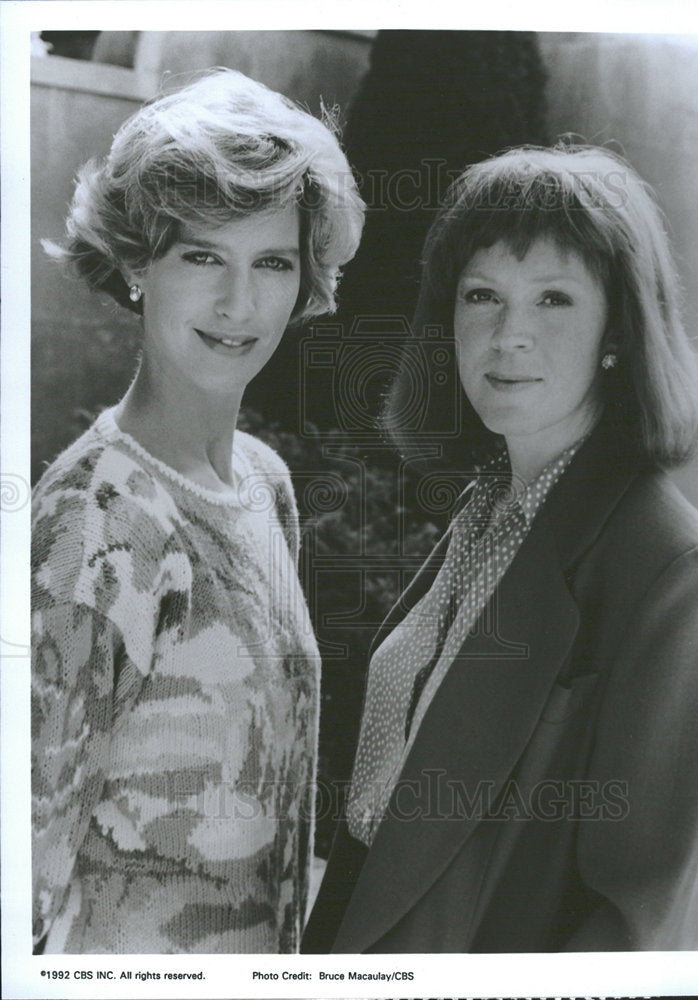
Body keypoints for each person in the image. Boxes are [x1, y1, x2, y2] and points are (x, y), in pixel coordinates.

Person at [303, 145, 698, 952]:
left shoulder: (679, 577)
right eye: (482, 297)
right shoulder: (485, 516)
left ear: (619, 332)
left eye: (553, 299)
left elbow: (641, 928)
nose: (509, 335)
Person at [31, 68, 364, 954]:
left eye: (272, 263)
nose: (238, 304)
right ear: (139, 263)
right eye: (203, 255)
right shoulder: (92, 525)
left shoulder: (263, 482)